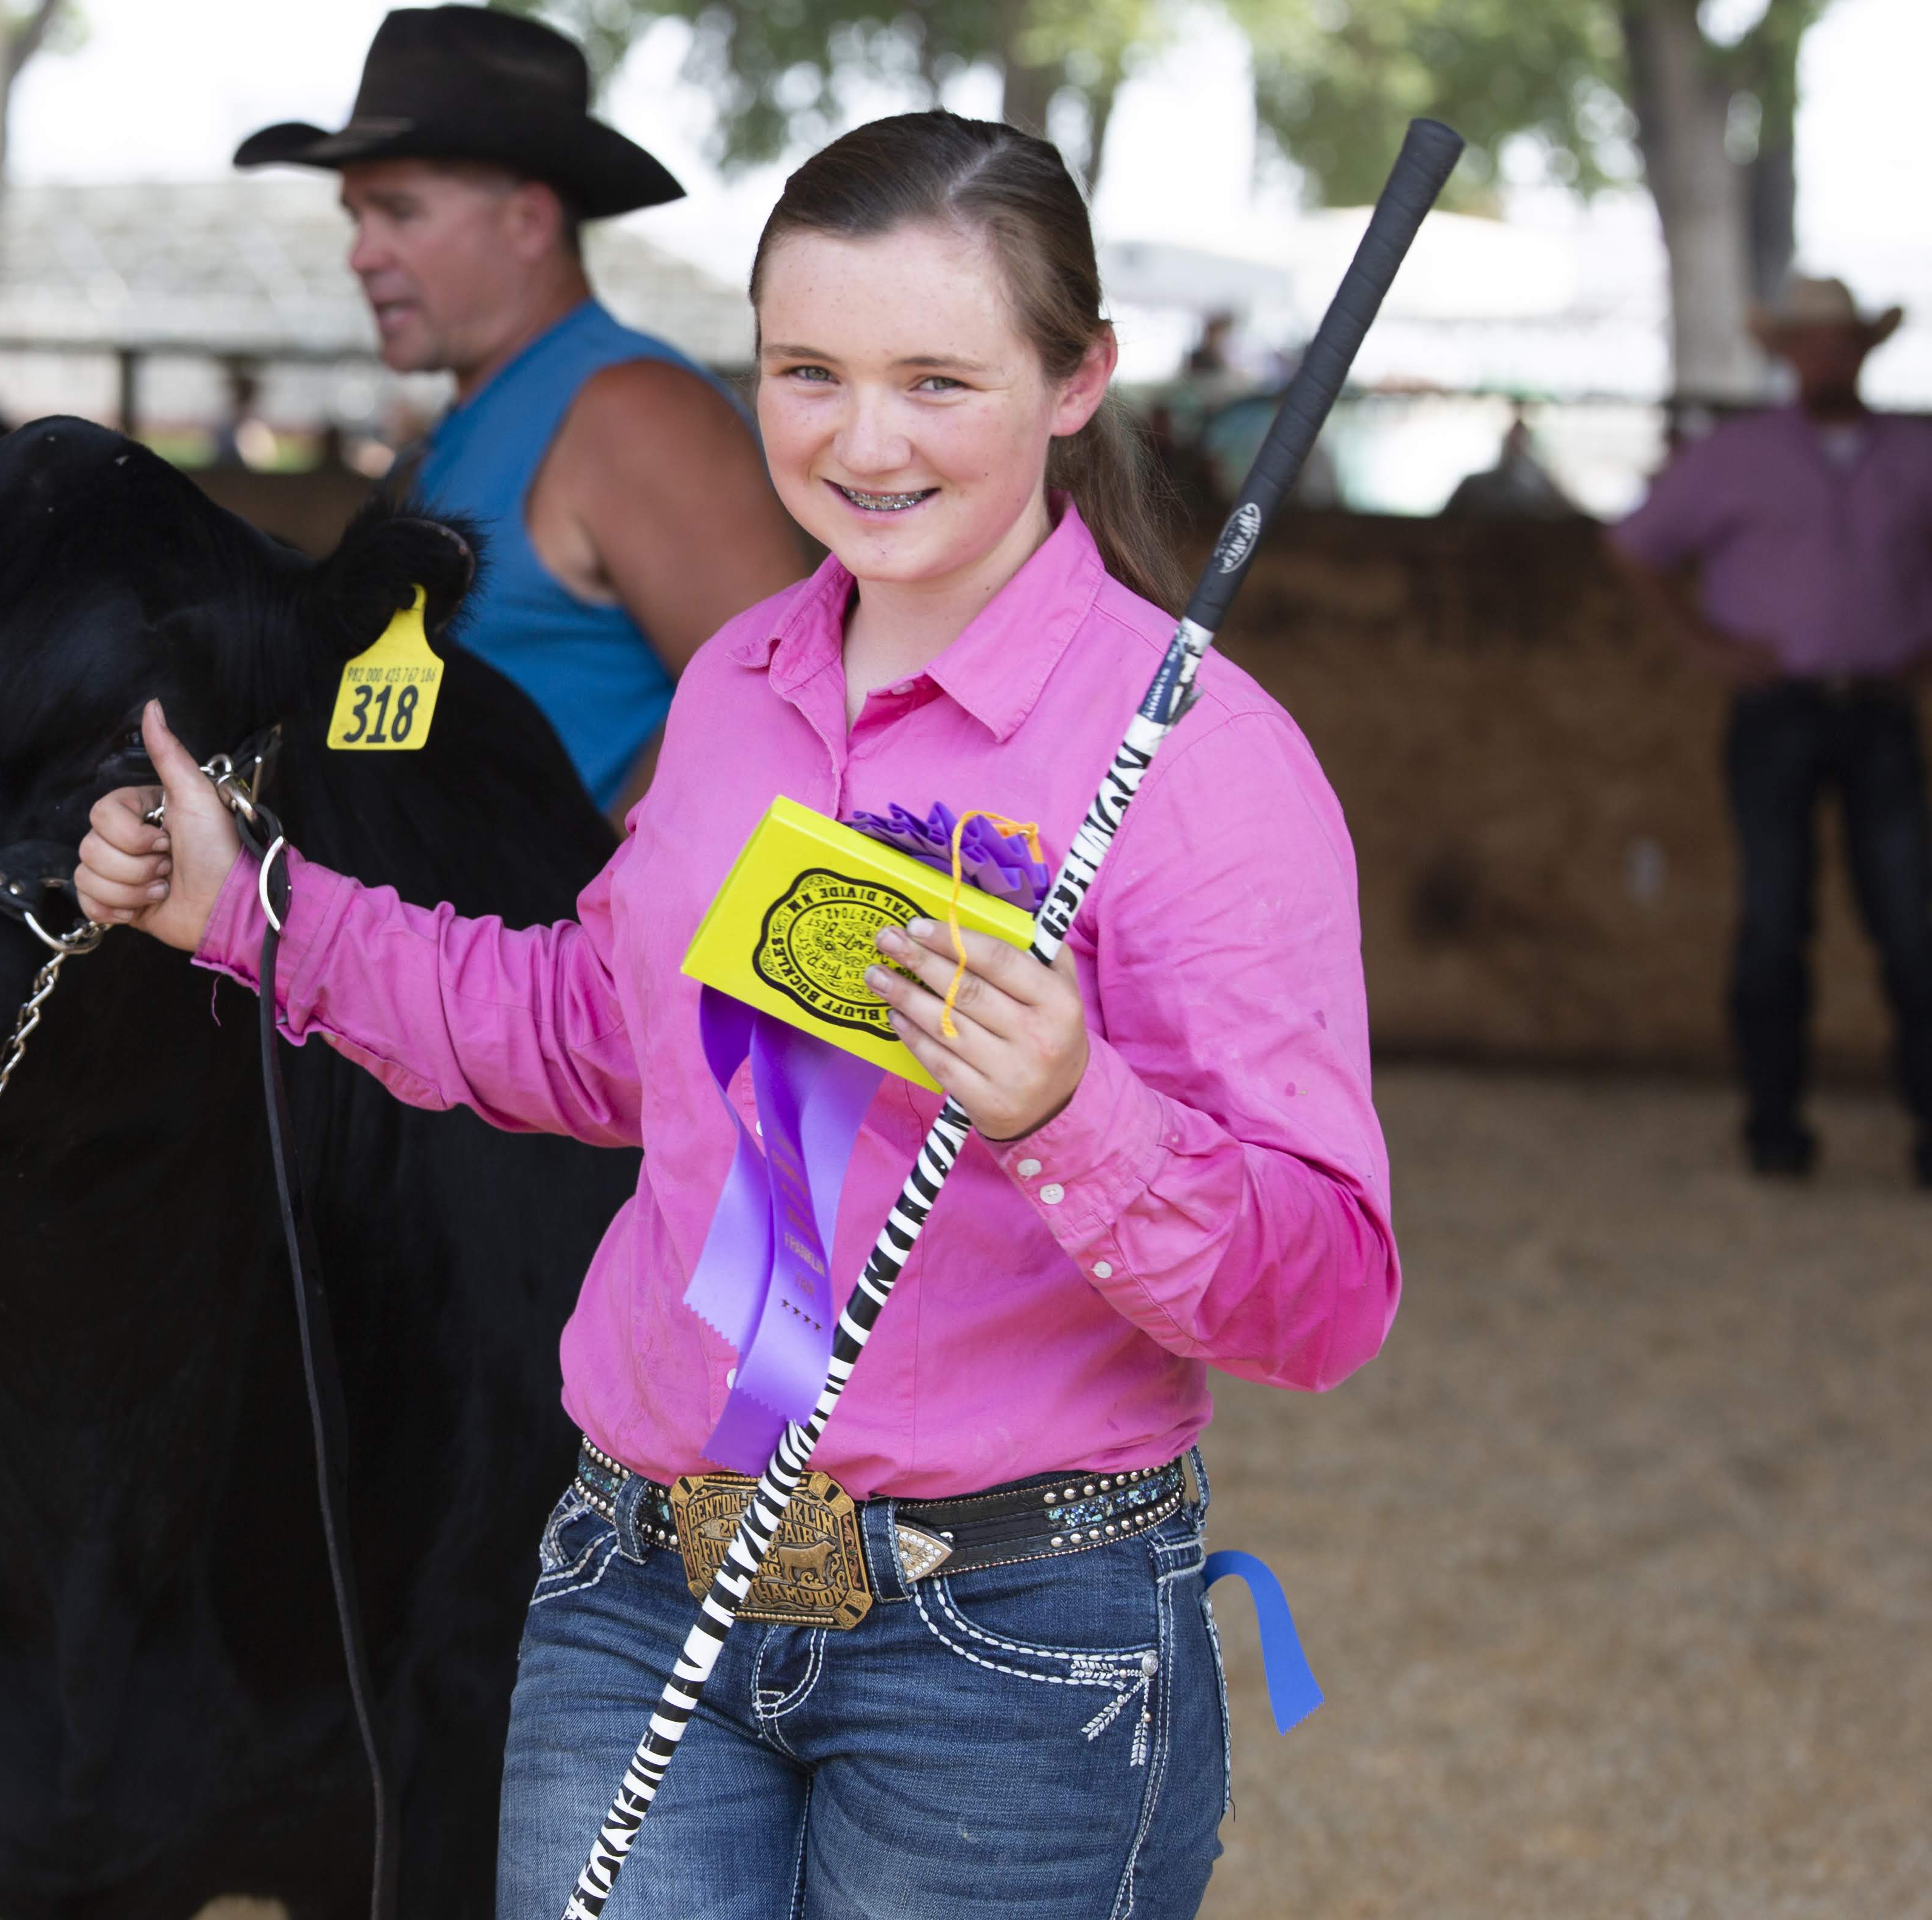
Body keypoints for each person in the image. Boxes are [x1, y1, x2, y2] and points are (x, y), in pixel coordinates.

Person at [78, 110, 1397, 1915]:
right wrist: (249, 912)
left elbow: (1323, 1295)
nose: (863, 441)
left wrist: (1067, 1109)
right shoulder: (735, 692)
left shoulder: (1204, 767)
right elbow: (589, 1032)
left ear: (1075, 379)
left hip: (1004, 1644)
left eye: (938, 381)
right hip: (641, 1579)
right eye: (807, 373)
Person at [234, 5, 806, 818]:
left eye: (400, 211)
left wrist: (603, 887)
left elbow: (778, 710)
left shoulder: (633, 413)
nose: (361, 254)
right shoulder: (449, 441)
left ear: (529, 221)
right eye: (357, 218)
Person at [1606, 275, 1932, 1185]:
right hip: (1777, 711)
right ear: (1787, 354)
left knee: (1910, 923)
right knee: (1776, 919)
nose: (1825, 357)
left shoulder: (1915, 452)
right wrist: (1702, 645)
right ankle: (1775, 1131)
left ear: (1863, 351)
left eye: (1840, 342)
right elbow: (1634, 545)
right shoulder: (1738, 454)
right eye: (1810, 342)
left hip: (1881, 709)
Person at [1442, 407, 1579, 519]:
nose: (1516, 444)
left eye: (1520, 439)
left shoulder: (1544, 486)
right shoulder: (1473, 485)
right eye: (1513, 439)